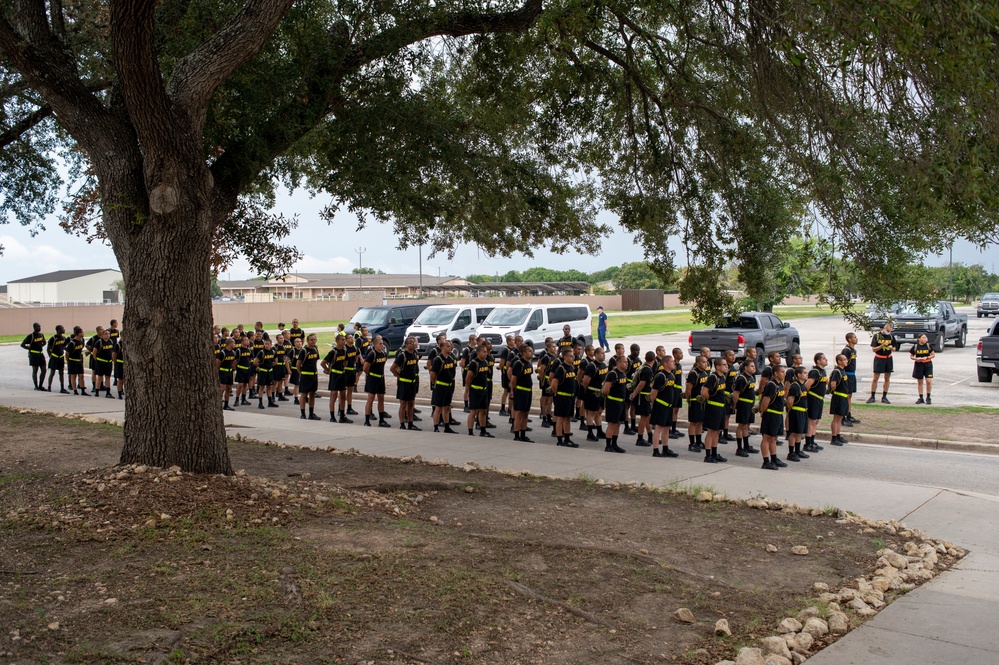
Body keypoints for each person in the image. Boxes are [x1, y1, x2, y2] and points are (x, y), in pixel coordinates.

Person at [758, 365, 788, 470]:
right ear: (776, 373)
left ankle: (774, 458)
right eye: (782, 372)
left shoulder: (781, 384)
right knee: (767, 437)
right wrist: (763, 412)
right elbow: (766, 401)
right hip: (771, 414)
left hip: (778, 414)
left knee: (773, 438)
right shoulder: (771, 385)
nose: (784, 374)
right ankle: (766, 461)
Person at [648, 354, 678, 458]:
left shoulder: (671, 375)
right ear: (665, 363)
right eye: (671, 362)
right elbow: (653, 393)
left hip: (669, 406)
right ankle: (655, 450)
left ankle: (665, 449)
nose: (673, 363)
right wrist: (655, 405)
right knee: (658, 428)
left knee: (667, 428)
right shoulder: (661, 376)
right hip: (661, 406)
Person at [700, 358, 729, 464]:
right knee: (711, 431)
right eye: (724, 364)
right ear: (717, 367)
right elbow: (704, 392)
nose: (726, 366)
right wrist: (710, 400)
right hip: (713, 408)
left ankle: (714, 453)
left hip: (721, 407)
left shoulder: (722, 377)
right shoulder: (713, 377)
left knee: (717, 431)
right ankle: (708, 455)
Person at [550, 347, 579, 447]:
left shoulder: (571, 367)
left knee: (568, 418)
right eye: (570, 356)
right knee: (561, 419)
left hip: (570, 397)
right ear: (565, 357)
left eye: (573, 356)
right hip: (562, 397)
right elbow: (554, 383)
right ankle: (559, 440)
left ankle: (567, 439)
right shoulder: (561, 369)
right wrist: (557, 393)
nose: (573, 358)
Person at [464, 343, 494, 438]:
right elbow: (468, 378)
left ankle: (483, 430)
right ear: (478, 352)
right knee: (473, 412)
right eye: (484, 352)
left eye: (486, 352)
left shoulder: (485, 362)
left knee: (483, 411)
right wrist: (468, 389)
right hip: (475, 390)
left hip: (484, 390)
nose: (486, 353)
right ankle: (470, 431)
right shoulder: (474, 363)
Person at [730, 359, 759, 457]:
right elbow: (736, 393)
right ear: (746, 367)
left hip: (750, 404)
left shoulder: (751, 377)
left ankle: (746, 445)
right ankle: (739, 448)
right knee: (741, 425)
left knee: (746, 425)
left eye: (754, 366)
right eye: (751, 366)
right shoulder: (742, 378)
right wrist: (735, 405)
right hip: (743, 405)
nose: (754, 368)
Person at [601, 354, 629, 453]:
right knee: (612, 424)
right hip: (613, 402)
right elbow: (605, 389)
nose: (627, 364)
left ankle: (614, 444)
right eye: (624, 362)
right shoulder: (613, 374)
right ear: (618, 363)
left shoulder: (623, 374)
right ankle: (608, 446)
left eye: (627, 362)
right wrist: (612, 397)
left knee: (618, 424)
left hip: (621, 402)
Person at [392, 336, 420, 430]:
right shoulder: (403, 355)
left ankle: (410, 423)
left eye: (414, 342)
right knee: (403, 404)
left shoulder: (415, 354)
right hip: (404, 383)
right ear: (407, 345)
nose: (413, 344)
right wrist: (399, 376)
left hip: (412, 382)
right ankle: (402, 423)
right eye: (411, 343)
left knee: (411, 404)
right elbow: (393, 368)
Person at [430, 340, 458, 434]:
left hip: (449, 386)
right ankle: (436, 427)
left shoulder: (451, 358)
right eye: (447, 346)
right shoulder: (438, 359)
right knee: (438, 407)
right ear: (442, 347)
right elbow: (433, 374)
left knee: (447, 407)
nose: (449, 348)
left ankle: (447, 427)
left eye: (450, 346)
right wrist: (435, 384)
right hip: (440, 386)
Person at [362, 336, 391, 427]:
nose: (382, 345)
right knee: (370, 399)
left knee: (381, 399)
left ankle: (381, 420)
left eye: (382, 343)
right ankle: (367, 420)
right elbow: (365, 368)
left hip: (381, 379)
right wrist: (370, 375)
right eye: (380, 344)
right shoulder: (372, 354)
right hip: (373, 379)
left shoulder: (383, 354)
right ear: (374, 345)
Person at [322, 335, 351, 423]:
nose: (344, 341)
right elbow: (323, 363)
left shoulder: (344, 350)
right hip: (334, 375)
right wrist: (328, 370)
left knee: (342, 395)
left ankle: (342, 416)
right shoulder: (333, 352)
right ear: (337, 341)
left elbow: (346, 361)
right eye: (342, 340)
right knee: (333, 395)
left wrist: (343, 365)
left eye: (344, 340)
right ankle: (332, 416)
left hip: (342, 374)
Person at [509, 344, 535, 441]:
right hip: (520, 391)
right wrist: (513, 391)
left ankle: (523, 434)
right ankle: (516, 435)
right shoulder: (518, 364)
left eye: (532, 351)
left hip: (528, 391)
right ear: (523, 353)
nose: (531, 353)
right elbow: (514, 379)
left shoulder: (529, 363)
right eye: (529, 351)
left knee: (526, 413)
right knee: (519, 413)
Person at [581, 346, 607, 442]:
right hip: (592, 392)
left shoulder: (604, 365)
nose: (603, 355)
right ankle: (590, 433)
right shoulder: (592, 366)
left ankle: (599, 431)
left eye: (604, 353)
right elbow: (586, 381)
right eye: (601, 353)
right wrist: (589, 390)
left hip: (601, 393)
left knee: (599, 412)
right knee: (591, 413)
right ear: (596, 355)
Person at [803, 353, 828, 453]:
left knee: (816, 421)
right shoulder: (815, 371)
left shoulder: (823, 371)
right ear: (818, 361)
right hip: (813, 398)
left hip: (820, 399)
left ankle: (812, 442)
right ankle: (807, 444)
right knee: (811, 421)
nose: (826, 359)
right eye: (823, 358)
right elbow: (807, 386)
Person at [630, 351, 656, 447]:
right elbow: (642, 384)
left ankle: (650, 436)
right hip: (643, 396)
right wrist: (635, 394)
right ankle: (640, 438)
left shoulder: (642, 367)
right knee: (644, 418)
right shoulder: (648, 370)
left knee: (647, 417)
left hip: (644, 396)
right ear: (654, 359)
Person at [868, 322, 897, 404]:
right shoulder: (877, 336)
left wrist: (892, 348)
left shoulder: (891, 337)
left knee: (887, 378)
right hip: (879, 358)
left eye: (890, 331)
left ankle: (884, 396)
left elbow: (895, 348)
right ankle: (872, 396)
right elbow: (873, 349)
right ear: (884, 328)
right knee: (875, 378)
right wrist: (882, 345)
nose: (888, 332)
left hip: (888, 358)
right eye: (887, 330)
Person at [684, 354, 708, 451]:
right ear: (697, 363)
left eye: (706, 362)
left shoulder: (705, 373)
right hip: (695, 401)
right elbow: (689, 388)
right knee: (694, 422)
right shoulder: (694, 373)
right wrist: (688, 399)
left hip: (702, 401)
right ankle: (692, 443)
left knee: (700, 422)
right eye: (703, 362)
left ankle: (699, 441)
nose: (705, 364)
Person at [297, 333, 322, 420]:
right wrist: (302, 373)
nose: (313, 341)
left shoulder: (315, 349)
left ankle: (311, 413)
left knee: (312, 394)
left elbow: (315, 361)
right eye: (311, 340)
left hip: (313, 376)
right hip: (305, 376)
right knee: (304, 395)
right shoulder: (304, 351)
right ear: (307, 341)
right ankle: (303, 413)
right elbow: (298, 365)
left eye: (314, 339)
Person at [785, 367, 808, 463]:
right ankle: (791, 453)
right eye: (805, 373)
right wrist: (790, 411)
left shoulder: (803, 386)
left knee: (800, 432)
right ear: (799, 375)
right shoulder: (795, 386)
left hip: (803, 411)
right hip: (796, 412)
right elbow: (790, 400)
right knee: (794, 433)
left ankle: (797, 451)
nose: (807, 374)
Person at [828, 354, 850, 445]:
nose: (846, 361)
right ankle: (834, 437)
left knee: (840, 417)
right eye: (844, 359)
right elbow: (833, 384)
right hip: (838, 397)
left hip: (844, 397)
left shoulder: (843, 370)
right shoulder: (837, 371)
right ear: (839, 361)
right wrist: (834, 390)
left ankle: (838, 435)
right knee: (836, 418)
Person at [840, 333, 861, 425]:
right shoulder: (846, 350)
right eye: (854, 337)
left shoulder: (854, 351)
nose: (856, 339)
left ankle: (848, 415)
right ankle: (843, 417)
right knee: (845, 396)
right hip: (847, 375)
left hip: (852, 375)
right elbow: (843, 364)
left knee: (849, 396)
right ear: (849, 339)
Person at [253, 337, 278, 409]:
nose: (267, 345)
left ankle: (270, 402)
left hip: (269, 372)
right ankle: (260, 403)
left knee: (269, 387)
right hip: (262, 372)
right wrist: (260, 366)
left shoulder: (273, 351)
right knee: (261, 387)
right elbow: (255, 362)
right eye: (265, 344)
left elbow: (276, 361)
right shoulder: (261, 352)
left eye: (268, 344)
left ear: (271, 344)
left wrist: (270, 366)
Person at [910, 333, 935, 404]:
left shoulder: (928, 345)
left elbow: (933, 355)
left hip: (928, 364)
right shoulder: (915, 346)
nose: (925, 339)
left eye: (925, 337)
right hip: (919, 364)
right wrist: (916, 358)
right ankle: (921, 397)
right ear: (919, 339)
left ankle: (928, 397)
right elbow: (911, 356)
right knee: (920, 382)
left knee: (928, 381)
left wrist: (927, 357)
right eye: (923, 337)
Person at [21, 322, 47, 390]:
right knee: (35, 370)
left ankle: (41, 385)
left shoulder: (41, 335)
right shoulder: (31, 336)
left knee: (44, 370)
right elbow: (22, 344)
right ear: (34, 328)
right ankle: (36, 386)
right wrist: (29, 348)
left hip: (40, 354)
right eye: (38, 327)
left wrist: (40, 346)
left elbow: (44, 342)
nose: (39, 328)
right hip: (33, 355)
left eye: (40, 327)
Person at [92, 328, 116, 398]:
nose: (107, 335)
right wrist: (96, 360)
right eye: (106, 334)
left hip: (108, 362)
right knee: (100, 377)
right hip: (101, 362)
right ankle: (97, 391)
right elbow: (94, 352)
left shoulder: (111, 341)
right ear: (102, 335)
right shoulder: (99, 342)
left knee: (108, 377)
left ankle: (108, 392)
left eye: (108, 334)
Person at [45, 324, 69, 393]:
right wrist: (51, 356)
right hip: (54, 357)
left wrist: (67, 344)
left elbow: (63, 347)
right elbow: (48, 349)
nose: (64, 329)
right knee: (52, 373)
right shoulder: (53, 338)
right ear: (58, 330)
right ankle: (49, 387)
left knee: (61, 373)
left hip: (61, 357)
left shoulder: (64, 338)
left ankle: (62, 388)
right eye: (62, 328)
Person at [66, 326, 88, 395]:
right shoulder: (72, 343)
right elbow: (67, 353)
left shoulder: (81, 341)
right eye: (82, 332)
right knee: (73, 376)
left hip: (79, 360)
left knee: (81, 375)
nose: (83, 333)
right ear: (79, 334)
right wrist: (68, 361)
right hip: (72, 361)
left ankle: (83, 390)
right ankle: (75, 390)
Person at [217, 337, 237, 410]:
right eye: (234, 343)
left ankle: (226, 404)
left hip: (230, 372)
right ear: (230, 343)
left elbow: (233, 362)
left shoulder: (233, 352)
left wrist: (233, 368)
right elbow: (217, 363)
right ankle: (218, 404)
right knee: (222, 388)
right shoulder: (223, 353)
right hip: (223, 372)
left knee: (228, 389)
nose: (235, 345)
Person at [233, 336, 253, 406]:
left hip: (247, 369)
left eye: (247, 340)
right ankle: (237, 399)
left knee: (245, 384)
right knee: (240, 384)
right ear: (241, 342)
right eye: (245, 340)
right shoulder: (239, 350)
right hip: (240, 370)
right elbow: (235, 361)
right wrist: (235, 368)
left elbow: (250, 359)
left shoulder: (249, 350)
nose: (246, 342)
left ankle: (243, 399)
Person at [669, 348, 684, 439]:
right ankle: (670, 429)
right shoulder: (673, 366)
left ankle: (674, 429)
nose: (682, 355)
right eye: (680, 353)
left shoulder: (679, 365)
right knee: (672, 410)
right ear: (674, 354)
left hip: (679, 390)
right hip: (673, 390)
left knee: (676, 410)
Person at [343, 333, 360, 414]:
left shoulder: (354, 348)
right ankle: (341, 408)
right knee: (343, 391)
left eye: (352, 337)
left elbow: (356, 358)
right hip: (345, 371)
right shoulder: (344, 349)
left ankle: (349, 407)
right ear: (346, 340)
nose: (352, 339)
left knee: (350, 390)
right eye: (349, 338)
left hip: (352, 370)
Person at [271, 332, 289, 401]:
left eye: (282, 338)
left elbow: (285, 356)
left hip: (282, 366)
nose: (282, 339)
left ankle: (280, 395)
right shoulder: (274, 348)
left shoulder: (284, 347)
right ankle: (272, 396)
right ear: (277, 339)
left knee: (281, 381)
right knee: (275, 382)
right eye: (280, 338)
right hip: (276, 366)